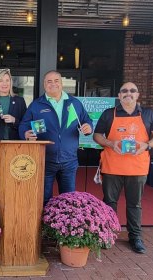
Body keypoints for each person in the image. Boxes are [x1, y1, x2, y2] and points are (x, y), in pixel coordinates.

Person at [93, 82, 153, 254]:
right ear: (119, 96)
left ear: (137, 95)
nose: (128, 93)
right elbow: (97, 135)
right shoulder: (109, 114)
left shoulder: (149, 114)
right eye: (124, 91)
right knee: (109, 202)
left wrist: (146, 145)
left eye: (132, 91)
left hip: (137, 167)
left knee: (135, 204)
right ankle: (107, 234)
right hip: (112, 166)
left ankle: (135, 237)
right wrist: (110, 143)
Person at [19, 70, 93, 205]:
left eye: (56, 80)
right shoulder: (36, 104)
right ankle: (44, 225)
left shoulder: (74, 103)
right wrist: (25, 134)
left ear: (61, 83)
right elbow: (24, 124)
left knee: (69, 200)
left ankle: (66, 225)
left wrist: (88, 127)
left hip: (69, 160)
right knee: (44, 199)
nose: (53, 84)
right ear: (44, 84)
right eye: (49, 81)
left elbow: (86, 120)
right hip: (45, 159)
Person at [0, 68, 27, 167]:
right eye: (1, 80)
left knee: (14, 180)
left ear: (11, 83)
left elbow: (26, 124)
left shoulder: (20, 101)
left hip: (15, 147)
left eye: (7, 80)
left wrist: (14, 120)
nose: (4, 83)